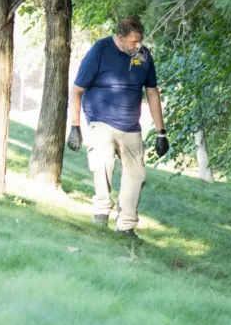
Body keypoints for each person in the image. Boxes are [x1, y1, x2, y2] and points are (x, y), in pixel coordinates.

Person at [66, 17, 169, 240]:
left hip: (130, 125)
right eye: (133, 41)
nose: (137, 46)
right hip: (101, 119)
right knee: (102, 161)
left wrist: (161, 132)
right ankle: (102, 211)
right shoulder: (100, 51)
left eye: (140, 41)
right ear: (121, 38)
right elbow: (76, 90)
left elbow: (152, 92)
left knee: (137, 174)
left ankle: (126, 226)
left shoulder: (142, 55)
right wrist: (75, 127)